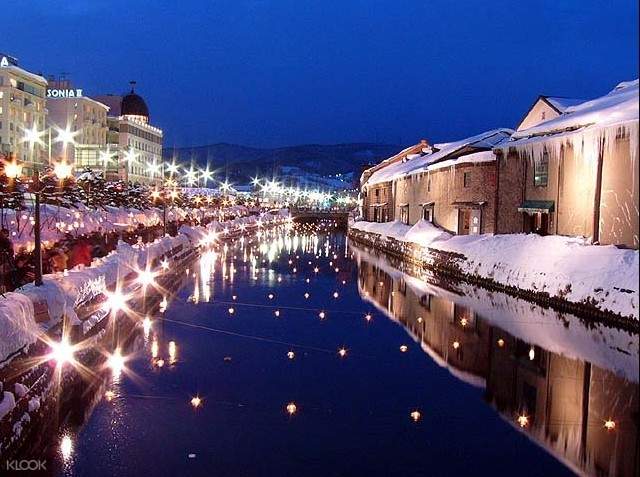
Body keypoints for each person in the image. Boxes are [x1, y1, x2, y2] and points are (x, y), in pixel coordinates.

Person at [0, 228, 15, 292]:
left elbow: (11, 251)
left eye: (6, 233)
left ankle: (6, 289)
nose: (4, 234)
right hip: (1, 261)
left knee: (6, 276)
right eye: (3, 233)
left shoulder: (8, 241)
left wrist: (8, 253)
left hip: (6, 261)